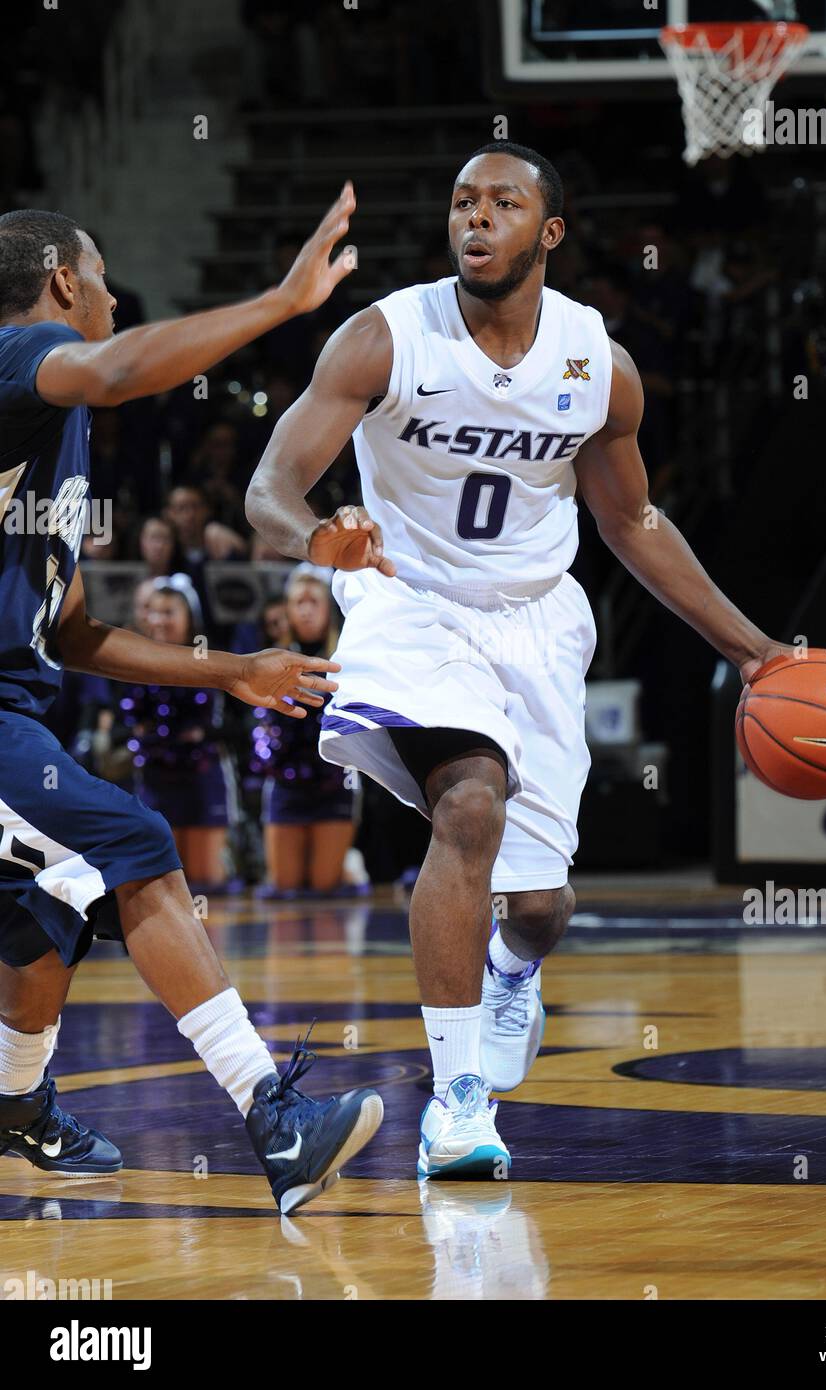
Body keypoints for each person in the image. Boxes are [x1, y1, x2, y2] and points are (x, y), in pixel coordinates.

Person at [246, 142, 825, 1179]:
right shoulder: (384, 337)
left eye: (502, 204)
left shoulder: (595, 362)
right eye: (463, 202)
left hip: (535, 619)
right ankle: (457, 1103)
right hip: (410, 601)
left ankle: (513, 967)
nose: (476, 219)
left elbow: (631, 518)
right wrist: (313, 537)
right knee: (468, 803)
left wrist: (751, 649)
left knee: (541, 903)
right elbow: (268, 488)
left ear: (548, 232)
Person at [0, 193, 385, 1214]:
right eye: (105, 274)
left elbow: (75, 630)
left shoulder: (54, 428)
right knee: (132, 841)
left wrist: (234, 669)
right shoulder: (13, 358)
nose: (118, 295)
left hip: (18, 713)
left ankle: (18, 1107)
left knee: (41, 917)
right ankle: (274, 1117)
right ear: (63, 284)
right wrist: (282, 300)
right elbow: (123, 368)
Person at [252, 566, 361, 895]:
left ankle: (350, 870)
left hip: (334, 782)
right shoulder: (270, 658)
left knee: (323, 888)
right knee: (284, 888)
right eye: (298, 602)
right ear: (286, 609)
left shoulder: (347, 657)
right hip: (285, 783)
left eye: (314, 601)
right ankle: (351, 869)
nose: (306, 609)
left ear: (329, 608)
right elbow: (260, 724)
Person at [124, 576, 237, 890]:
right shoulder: (134, 662)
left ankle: (215, 940)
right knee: (163, 882)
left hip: (202, 778)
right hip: (155, 779)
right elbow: (132, 722)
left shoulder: (212, 661)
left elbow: (227, 726)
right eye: (153, 612)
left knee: (205, 883)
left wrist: (198, 734)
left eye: (169, 612)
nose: (159, 620)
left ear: (190, 617)